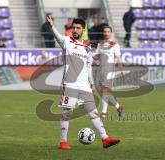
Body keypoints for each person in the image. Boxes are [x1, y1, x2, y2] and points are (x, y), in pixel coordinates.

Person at [46, 16, 120, 150]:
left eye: (78, 28)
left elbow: (89, 67)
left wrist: (91, 84)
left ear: (83, 30)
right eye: (73, 27)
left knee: (93, 113)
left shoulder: (87, 46)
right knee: (66, 113)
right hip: (70, 84)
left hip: (84, 86)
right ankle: (63, 142)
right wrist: (52, 26)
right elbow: (57, 36)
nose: (75, 30)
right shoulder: (66, 41)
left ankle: (105, 138)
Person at [94, 26, 124, 119]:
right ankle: (118, 106)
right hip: (101, 69)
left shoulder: (114, 44)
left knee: (105, 90)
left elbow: (118, 57)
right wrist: (91, 54)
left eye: (108, 31)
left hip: (110, 69)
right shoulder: (100, 44)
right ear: (103, 33)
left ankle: (103, 112)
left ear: (111, 33)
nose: (106, 33)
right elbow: (96, 56)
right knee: (103, 91)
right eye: (105, 32)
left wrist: (121, 69)